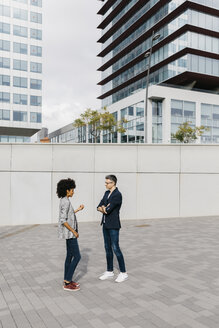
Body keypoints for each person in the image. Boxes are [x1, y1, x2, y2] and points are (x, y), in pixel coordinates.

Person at [97, 175, 128, 283]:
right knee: (107, 248)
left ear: (113, 183)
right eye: (105, 182)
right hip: (105, 225)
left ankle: (123, 273)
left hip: (113, 226)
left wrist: (104, 208)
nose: (105, 184)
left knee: (115, 248)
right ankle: (109, 271)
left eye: (107, 183)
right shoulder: (106, 193)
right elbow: (99, 206)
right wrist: (103, 208)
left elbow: (108, 210)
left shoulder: (117, 195)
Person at [57, 178, 84, 291]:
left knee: (69, 256)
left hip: (68, 234)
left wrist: (77, 209)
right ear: (67, 190)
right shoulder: (66, 202)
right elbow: (63, 220)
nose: (73, 192)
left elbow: (69, 214)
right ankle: (67, 282)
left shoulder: (64, 200)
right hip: (70, 234)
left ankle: (67, 280)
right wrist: (74, 231)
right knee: (77, 256)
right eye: (72, 190)